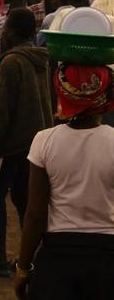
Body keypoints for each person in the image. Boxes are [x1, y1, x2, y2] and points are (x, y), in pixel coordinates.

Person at [13, 63, 114, 299]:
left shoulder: (44, 141)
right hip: (107, 260)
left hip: (57, 259)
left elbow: (36, 215)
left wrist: (23, 268)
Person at [0, 8, 52, 278]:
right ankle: (33, 254)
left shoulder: (11, 62)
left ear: (13, 33)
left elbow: (2, 112)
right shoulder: (42, 59)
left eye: (5, 30)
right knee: (23, 199)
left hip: (9, 143)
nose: (2, 34)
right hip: (35, 141)